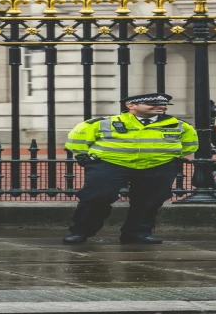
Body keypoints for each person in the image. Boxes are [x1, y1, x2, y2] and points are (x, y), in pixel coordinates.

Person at [62, 93, 199, 244]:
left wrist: (169, 159)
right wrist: (84, 157)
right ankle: (81, 232)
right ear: (131, 106)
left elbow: (189, 146)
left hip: (158, 165)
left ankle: (137, 233)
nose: (161, 107)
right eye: (153, 104)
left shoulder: (180, 125)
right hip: (111, 164)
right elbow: (77, 139)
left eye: (163, 105)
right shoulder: (103, 123)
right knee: (96, 197)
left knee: (150, 201)